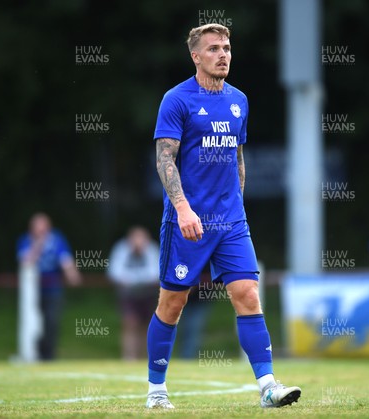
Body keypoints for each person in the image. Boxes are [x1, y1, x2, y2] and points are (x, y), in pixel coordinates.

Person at [146, 24, 300, 409]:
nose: (223, 54)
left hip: (230, 221)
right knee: (172, 304)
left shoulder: (239, 101)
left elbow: (237, 158)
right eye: (213, 49)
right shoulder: (176, 99)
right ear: (196, 56)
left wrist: (238, 208)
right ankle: (156, 391)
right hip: (187, 221)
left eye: (227, 48)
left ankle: (268, 387)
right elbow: (165, 158)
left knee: (247, 294)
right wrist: (182, 208)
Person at [16, 213, 81, 360]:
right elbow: (25, 262)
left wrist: (72, 274)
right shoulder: (25, 241)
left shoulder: (56, 239)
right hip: (32, 291)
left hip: (53, 288)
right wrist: (38, 245)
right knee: (33, 322)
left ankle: (48, 355)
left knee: (51, 321)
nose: (41, 231)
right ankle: (33, 352)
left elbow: (65, 259)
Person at [107, 226, 160, 360]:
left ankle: (143, 358)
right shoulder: (121, 249)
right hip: (128, 294)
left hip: (148, 294)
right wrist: (140, 278)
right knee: (130, 324)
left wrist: (132, 278)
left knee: (147, 327)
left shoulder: (152, 249)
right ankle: (129, 358)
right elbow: (114, 273)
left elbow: (156, 273)